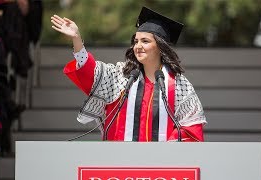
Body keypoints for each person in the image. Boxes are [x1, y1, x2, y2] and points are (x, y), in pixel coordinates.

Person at [51, 6, 207, 142]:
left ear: (160, 47)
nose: (138, 46)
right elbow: (89, 73)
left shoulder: (179, 85)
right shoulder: (121, 77)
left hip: (160, 168)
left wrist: (163, 154)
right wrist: (77, 40)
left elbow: (191, 130)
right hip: (119, 166)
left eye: (145, 41)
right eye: (136, 41)